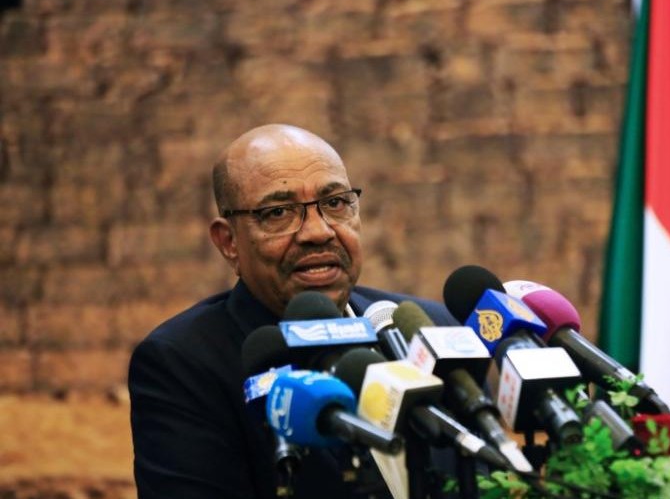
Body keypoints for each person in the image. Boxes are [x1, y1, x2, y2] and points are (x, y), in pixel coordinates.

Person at [128, 124, 459, 499]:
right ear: (229, 242)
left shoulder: (427, 329)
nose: (318, 232)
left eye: (335, 203)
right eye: (279, 212)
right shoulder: (184, 363)